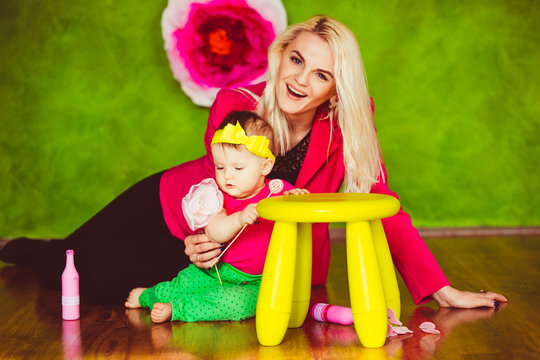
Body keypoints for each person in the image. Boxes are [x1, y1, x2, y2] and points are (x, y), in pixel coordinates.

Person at [0, 15, 506, 308]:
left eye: (323, 75)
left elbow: (382, 204)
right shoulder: (235, 102)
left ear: (337, 90)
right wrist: (197, 236)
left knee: (86, 273)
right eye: (297, 60)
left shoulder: (350, 121)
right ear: (281, 53)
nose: (301, 81)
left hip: (238, 256)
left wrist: (442, 292)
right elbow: (218, 187)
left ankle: (41, 253)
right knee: (67, 257)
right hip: (182, 212)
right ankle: (26, 249)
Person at [125, 111, 308, 323]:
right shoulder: (218, 197)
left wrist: (296, 198)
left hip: (260, 281)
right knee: (181, 285)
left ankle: (177, 310)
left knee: (239, 305)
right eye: (220, 167)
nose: (227, 175)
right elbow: (215, 231)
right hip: (217, 271)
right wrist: (239, 218)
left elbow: (298, 214)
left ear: (265, 167)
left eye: (238, 168)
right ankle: (148, 295)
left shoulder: (278, 191)